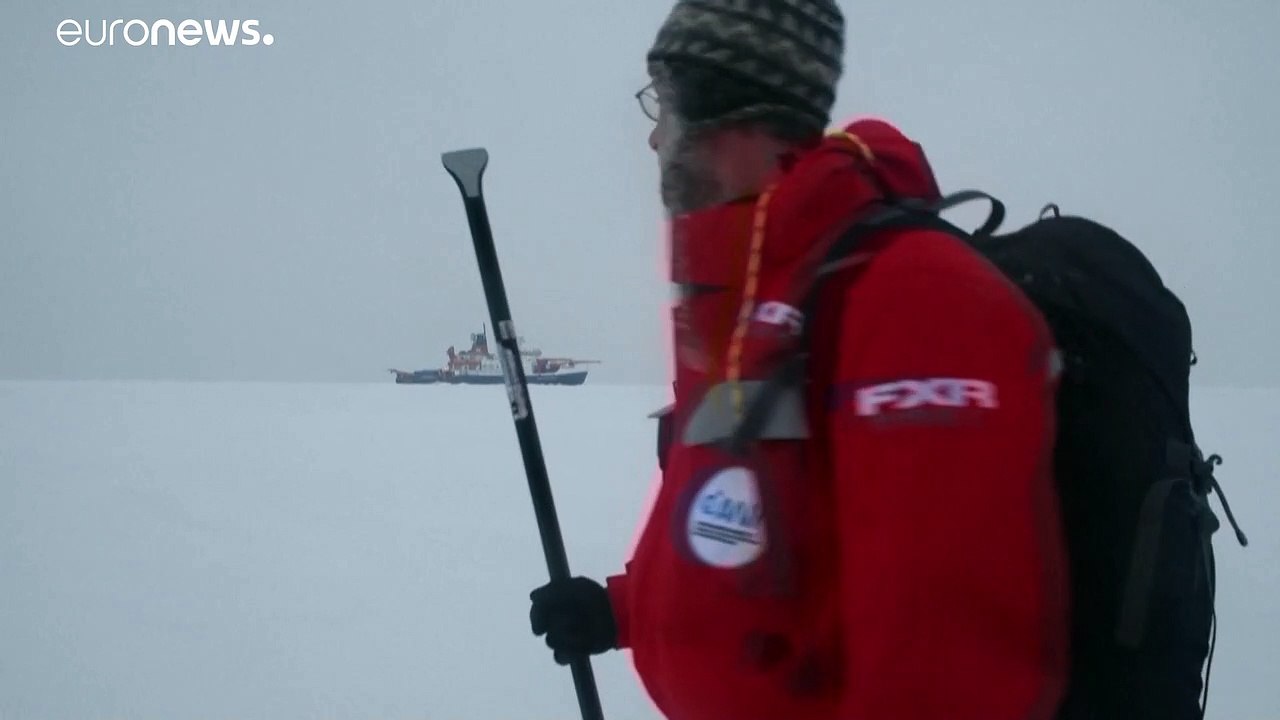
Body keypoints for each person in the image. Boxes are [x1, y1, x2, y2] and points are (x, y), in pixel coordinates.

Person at [529, 1, 1071, 719]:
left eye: (668, 104)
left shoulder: (916, 297)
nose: (655, 137)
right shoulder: (751, 300)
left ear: (738, 111)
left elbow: (945, 663)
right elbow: (752, 524)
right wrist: (625, 610)